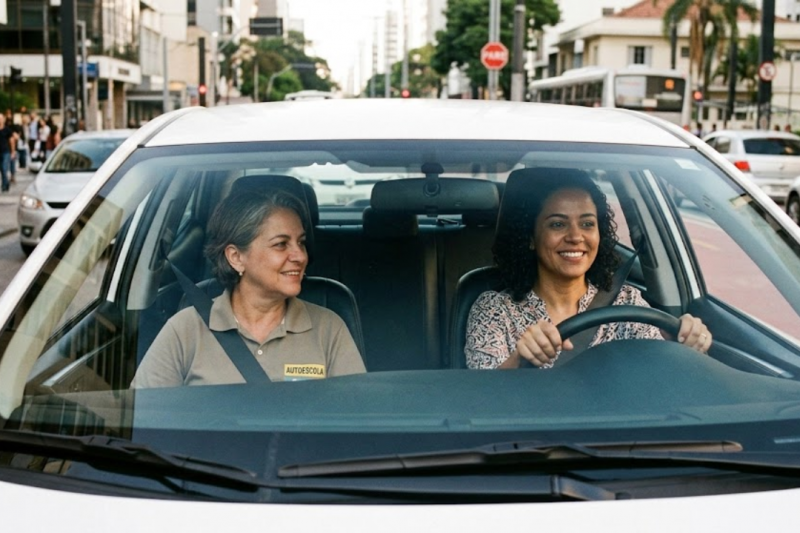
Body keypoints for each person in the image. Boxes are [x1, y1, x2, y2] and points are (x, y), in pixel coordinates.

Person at [465, 173, 712, 370]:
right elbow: (482, 397)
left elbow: (656, 374)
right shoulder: (495, 310)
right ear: (530, 237)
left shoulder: (626, 302)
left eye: (587, 224)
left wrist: (685, 343)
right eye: (558, 224)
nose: (575, 237)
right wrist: (518, 360)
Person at [133, 187, 366, 387]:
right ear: (236, 257)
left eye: (301, 243)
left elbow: (357, 419)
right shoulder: (185, 329)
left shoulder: (328, 328)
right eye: (281, 244)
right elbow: (142, 416)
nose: (300, 256)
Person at [0, 113, 17, 192]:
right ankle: (6, 183)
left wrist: (13, 152)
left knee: (4, 168)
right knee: (2, 169)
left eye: (1, 118)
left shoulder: (7, 130)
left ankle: (4, 185)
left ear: (3, 119)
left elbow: (12, 141)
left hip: (6, 152)